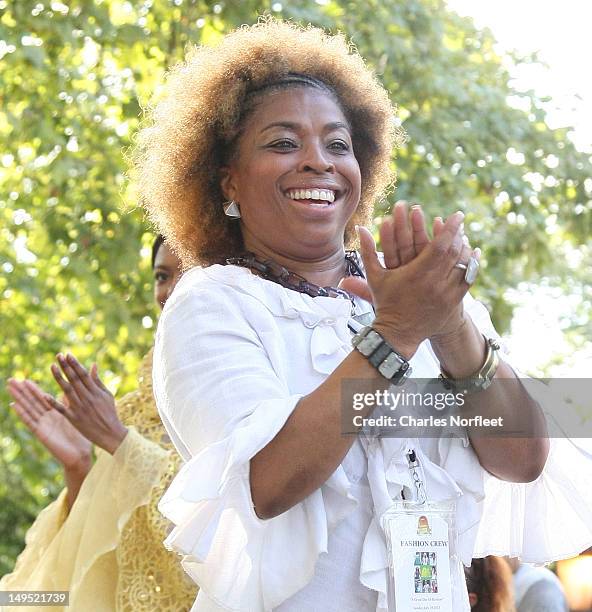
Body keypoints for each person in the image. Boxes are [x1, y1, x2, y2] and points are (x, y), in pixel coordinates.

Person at [135, 19, 592, 612]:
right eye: (282, 143)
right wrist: (395, 334)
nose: (316, 162)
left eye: (337, 144)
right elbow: (269, 482)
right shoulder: (212, 301)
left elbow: (524, 459)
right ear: (227, 180)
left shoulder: (417, 291)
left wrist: (449, 324)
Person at [1, 237, 196, 612]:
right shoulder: (134, 409)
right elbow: (83, 567)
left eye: (188, 272)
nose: (170, 290)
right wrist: (79, 468)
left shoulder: (326, 349)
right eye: (162, 275)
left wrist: (120, 442)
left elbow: (239, 524)